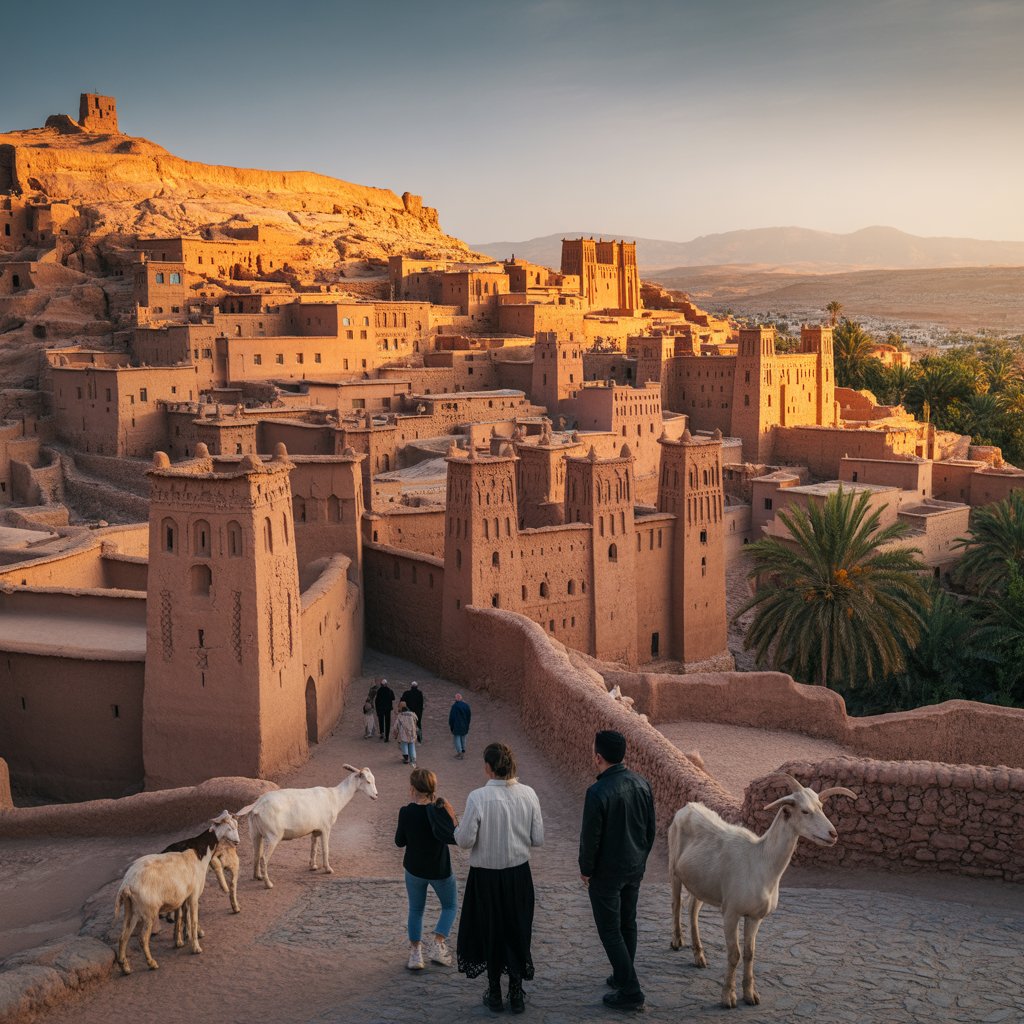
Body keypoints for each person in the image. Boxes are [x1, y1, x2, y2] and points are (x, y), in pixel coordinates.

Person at [455, 742, 543, 1015]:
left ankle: (494, 992)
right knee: (516, 929)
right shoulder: (529, 794)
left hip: (486, 879)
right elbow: (537, 839)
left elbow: (465, 840)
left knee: (490, 930)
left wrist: (456, 826)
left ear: (488, 768)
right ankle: (516, 992)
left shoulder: (477, 798)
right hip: (518, 877)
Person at [578, 729, 656, 1013]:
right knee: (628, 923)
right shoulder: (642, 784)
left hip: (607, 874)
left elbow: (591, 838)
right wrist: (641, 860)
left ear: (598, 757)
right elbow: (650, 831)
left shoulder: (597, 792)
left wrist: (586, 869)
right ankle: (622, 977)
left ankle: (631, 990)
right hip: (634, 868)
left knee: (610, 930)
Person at [395, 767, 459, 971]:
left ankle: (416, 954)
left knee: (416, 909)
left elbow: (399, 842)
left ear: (412, 789)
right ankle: (438, 944)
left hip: (414, 869)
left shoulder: (406, 812)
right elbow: (455, 832)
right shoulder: (439, 810)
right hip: (439, 868)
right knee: (450, 906)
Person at [392, 701, 420, 766]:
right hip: (412, 733)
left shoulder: (400, 716)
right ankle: (413, 759)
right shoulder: (413, 715)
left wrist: (395, 734)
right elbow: (416, 722)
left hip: (404, 734)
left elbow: (395, 726)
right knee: (412, 745)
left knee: (404, 745)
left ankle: (406, 759)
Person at [449, 693, 471, 759]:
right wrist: (467, 724)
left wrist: (451, 726)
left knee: (457, 739)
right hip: (464, 725)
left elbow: (452, 718)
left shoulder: (454, 706)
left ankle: (460, 752)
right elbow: (469, 716)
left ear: (455, 699)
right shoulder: (466, 705)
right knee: (463, 738)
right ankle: (463, 750)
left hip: (457, 726)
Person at [374, 678, 395, 742]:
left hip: (380, 708)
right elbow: (393, 698)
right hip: (387, 709)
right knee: (387, 722)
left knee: (381, 721)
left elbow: (376, 701)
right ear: (386, 684)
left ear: (381, 684)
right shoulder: (390, 690)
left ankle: (382, 733)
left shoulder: (379, 691)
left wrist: (377, 708)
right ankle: (387, 737)